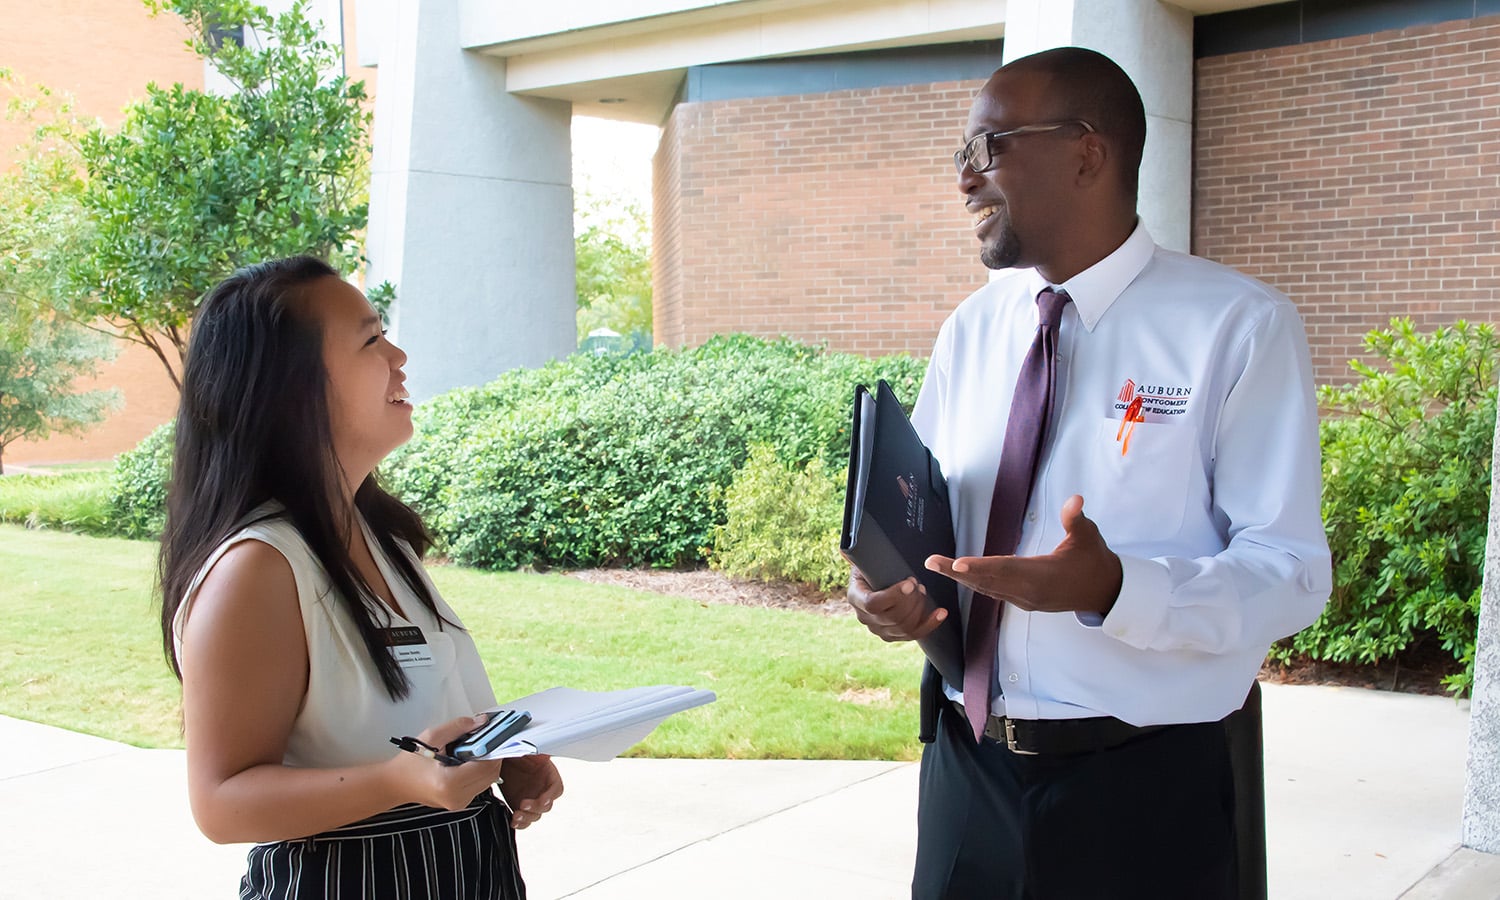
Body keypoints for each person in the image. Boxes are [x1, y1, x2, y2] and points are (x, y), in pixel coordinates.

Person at [847, 47, 1332, 900]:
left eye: (988, 148)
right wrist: (883, 589)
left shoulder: (1237, 329)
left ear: (1087, 151)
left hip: (1142, 796)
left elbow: (1290, 574)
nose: (965, 181)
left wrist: (1116, 586)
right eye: (962, 155)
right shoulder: (974, 327)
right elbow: (918, 513)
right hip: (968, 778)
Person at [158, 257, 563, 899]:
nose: (399, 356)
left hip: (469, 869)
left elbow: (414, 717)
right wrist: (402, 781)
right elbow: (220, 802)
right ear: (293, 391)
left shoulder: (380, 535)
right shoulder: (257, 569)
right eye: (372, 340)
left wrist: (495, 759)